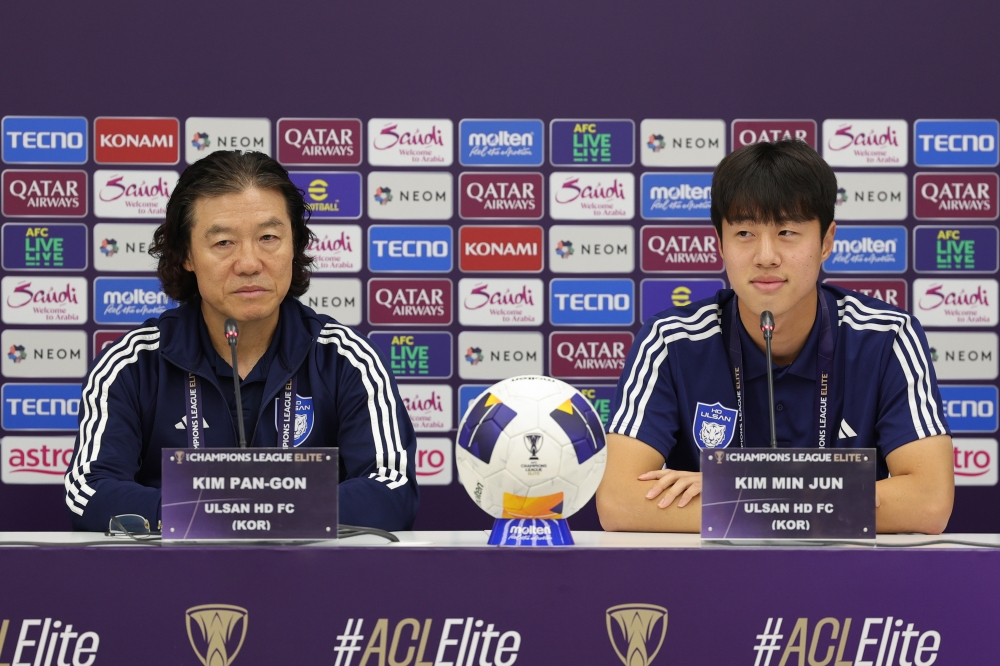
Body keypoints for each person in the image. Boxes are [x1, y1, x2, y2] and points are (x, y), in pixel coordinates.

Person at [596, 140, 953, 534]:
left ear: (827, 242)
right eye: (745, 232)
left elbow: (928, 501)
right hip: (712, 585)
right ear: (720, 244)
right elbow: (619, 502)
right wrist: (826, 498)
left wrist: (732, 492)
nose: (766, 255)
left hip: (847, 582)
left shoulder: (887, 337)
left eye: (787, 231)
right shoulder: (670, 340)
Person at [64, 151, 419, 532]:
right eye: (223, 243)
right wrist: (224, 513)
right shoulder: (133, 364)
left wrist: (257, 511)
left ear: (295, 246)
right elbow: (89, 491)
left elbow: (391, 492)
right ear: (186, 255)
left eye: (268, 237)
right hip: (172, 585)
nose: (249, 262)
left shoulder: (346, 359)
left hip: (312, 583)